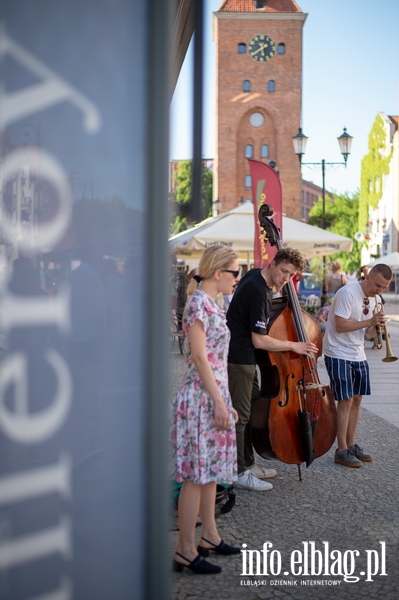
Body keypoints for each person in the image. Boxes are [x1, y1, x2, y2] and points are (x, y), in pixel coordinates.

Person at [170, 245, 240, 575]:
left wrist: (223, 400)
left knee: (210, 470)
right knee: (194, 476)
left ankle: (209, 536)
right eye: (235, 273)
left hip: (212, 395)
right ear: (218, 273)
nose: (237, 279)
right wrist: (217, 401)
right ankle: (184, 548)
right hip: (199, 399)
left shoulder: (213, 302)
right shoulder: (199, 302)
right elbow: (199, 358)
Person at [227, 248, 318, 491]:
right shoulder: (259, 292)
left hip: (246, 358)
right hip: (239, 358)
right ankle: (237, 471)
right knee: (241, 416)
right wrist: (294, 345)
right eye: (283, 271)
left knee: (253, 406)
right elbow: (260, 340)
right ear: (273, 263)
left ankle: (247, 463)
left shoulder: (256, 276)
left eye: (291, 275)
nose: (285, 278)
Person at [323, 263, 392, 468]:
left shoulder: (376, 299)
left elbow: (368, 334)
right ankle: (341, 449)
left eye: (383, 288)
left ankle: (352, 444)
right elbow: (341, 325)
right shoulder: (347, 293)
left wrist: (375, 328)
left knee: (357, 399)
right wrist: (369, 322)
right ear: (368, 276)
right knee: (345, 400)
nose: (379, 291)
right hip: (337, 351)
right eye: (377, 285)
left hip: (358, 352)